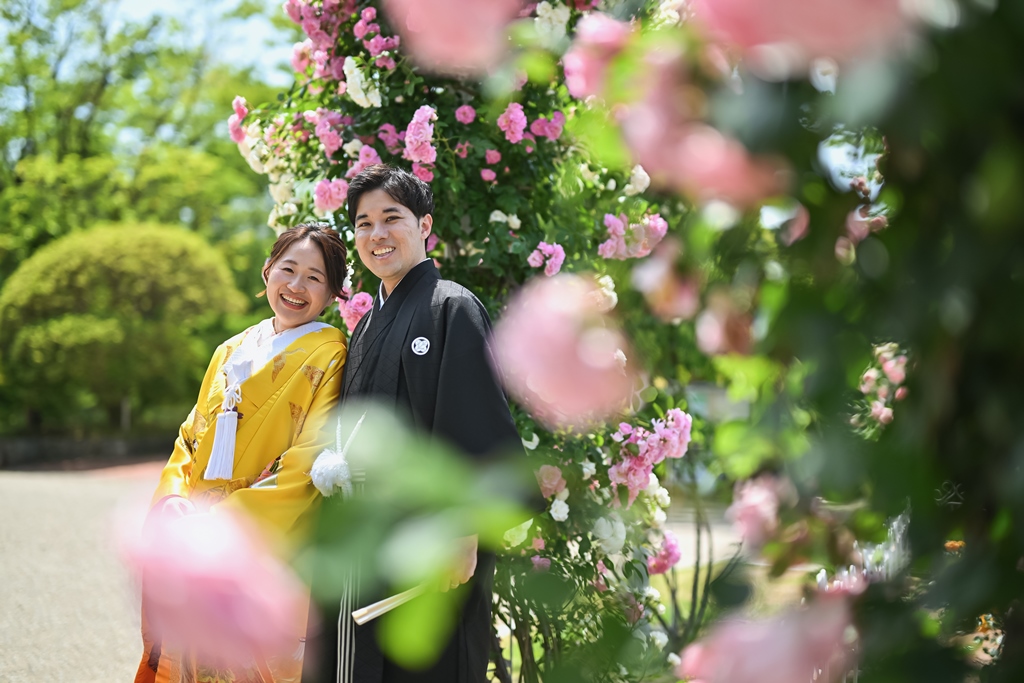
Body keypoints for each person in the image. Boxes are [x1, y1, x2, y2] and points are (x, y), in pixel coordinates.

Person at [303, 164, 522, 683]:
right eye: (363, 224)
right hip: (365, 543)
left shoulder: (451, 307)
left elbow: (475, 421)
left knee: (425, 664)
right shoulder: (366, 325)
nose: (376, 234)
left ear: (424, 225)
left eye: (391, 218)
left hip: (428, 545)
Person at [135, 223, 350, 683]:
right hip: (195, 532)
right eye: (288, 269)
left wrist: (220, 524)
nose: (296, 286)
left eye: (315, 277)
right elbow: (190, 436)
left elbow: (306, 463)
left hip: (261, 540)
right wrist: (173, 503)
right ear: (267, 270)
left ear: (333, 292)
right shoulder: (230, 349)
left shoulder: (329, 353)